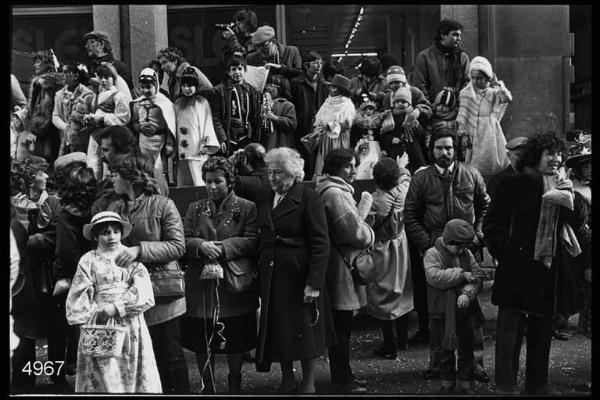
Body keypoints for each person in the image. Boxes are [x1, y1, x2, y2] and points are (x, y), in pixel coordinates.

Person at [483, 131, 590, 395]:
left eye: (558, 154)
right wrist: (506, 252)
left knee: (542, 327)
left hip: (548, 268)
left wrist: (571, 198)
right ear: (536, 156)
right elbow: (492, 223)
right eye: (549, 154)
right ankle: (505, 385)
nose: (555, 159)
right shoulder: (514, 184)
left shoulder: (563, 184)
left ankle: (537, 384)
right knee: (511, 328)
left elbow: (577, 224)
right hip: (517, 266)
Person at [404, 127, 490, 383]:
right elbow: (410, 215)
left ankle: (475, 364)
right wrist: (429, 244)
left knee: (471, 310)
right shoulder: (421, 179)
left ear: (455, 149)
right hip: (437, 250)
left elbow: (484, 203)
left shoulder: (471, 174)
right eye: (440, 148)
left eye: (449, 148)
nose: (445, 152)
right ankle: (438, 365)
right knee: (438, 313)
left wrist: (478, 233)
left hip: (467, 249)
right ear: (432, 150)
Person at [106, 154, 190, 394]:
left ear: (131, 179)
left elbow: (177, 246)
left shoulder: (163, 204)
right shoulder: (115, 207)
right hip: (129, 294)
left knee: (170, 355)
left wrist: (138, 250)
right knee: (140, 357)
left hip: (162, 291)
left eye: (116, 174)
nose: (111, 179)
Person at [255, 147, 332, 395]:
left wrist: (314, 283)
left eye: (278, 172)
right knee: (280, 329)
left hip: (300, 276)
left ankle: (308, 383)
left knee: (306, 330)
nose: (273, 178)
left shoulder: (310, 198)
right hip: (274, 276)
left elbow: (321, 244)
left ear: (292, 173)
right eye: (270, 172)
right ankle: (287, 379)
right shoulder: (267, 197)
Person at [180, 156, 259, 394]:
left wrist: (224, 247)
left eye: (218, 181)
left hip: (234, 283)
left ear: (230, 181)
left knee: (235, 335)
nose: (212, 186)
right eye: (207, 181)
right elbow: (181, 239)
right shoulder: (195, 208)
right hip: (201, 286)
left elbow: (253, 240)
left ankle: (235, 382)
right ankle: (208, 385)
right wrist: (199, 245)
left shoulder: (247, 207)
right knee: (203, 336)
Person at [66, 211, 161, 393]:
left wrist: (117, 307)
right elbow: (79, 293)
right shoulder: (88, 260)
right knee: (104, 369)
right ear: (95, 235)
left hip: (129, 321)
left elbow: (144, 290)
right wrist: (96, 313)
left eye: (115, 232)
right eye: (105, 233)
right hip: (99, 321)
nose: (111, 237)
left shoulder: (128, 256)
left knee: (130, 365)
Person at [316, 148, 375, 394]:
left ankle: (343, 374)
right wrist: (369, 231)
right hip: (340, 266)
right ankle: (342, 378)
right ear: (335, 168)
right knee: (342, 327)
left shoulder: (326, 189)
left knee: (341, 327)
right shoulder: (336, 194)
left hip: (334, 262)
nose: (353, 171)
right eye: (348, 166)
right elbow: (356, 233)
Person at [423, 219, 484, 395]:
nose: (462, 251)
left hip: (464, 311)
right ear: (448, 241)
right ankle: (447, 382)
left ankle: (465, 382)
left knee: (466, 347)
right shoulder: (432, 254)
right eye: (458, 247)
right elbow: (435, 277)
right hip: (441, 310)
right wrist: (461, 274)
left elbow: (477, 276)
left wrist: (467, 292)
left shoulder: (467, 254)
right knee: (444, 350)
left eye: (465, 247)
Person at [365, 158, 414, 360]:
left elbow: (364, 225)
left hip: (382, 249)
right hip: (400, 244)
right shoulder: (404, 189)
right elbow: (406, 175)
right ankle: (403, 341)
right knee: (402, 292)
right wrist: (399, 164)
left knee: (384, 296)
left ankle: (389, 345)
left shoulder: (375, 200)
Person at [91, 126, 169, 215]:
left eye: (106, 150)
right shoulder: (109, 182)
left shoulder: (150, 175)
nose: (102, 156)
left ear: (121, 149)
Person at [457, 56, 512, 179]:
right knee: (473, 162)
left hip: (489, 132)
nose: (476, 81)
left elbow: (507, 98)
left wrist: (498, 85)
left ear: (487, 78)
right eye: (473, 78)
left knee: (489, 160)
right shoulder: (466, 93)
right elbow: (463, 114)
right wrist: (464, 133)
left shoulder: (493, 93)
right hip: (472, 131)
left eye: (480, 78)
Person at [375, 65, 433, 164]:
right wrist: (384, 116)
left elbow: (428, 108)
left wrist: (418, 110)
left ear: (404, 81)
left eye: (397, 82)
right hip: (396, 138)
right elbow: (384, 113)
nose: (394, 86)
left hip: (414, 135)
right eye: (391, 83)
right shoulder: (388, 96)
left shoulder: (414, 92)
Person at [173, 66, 221, 186]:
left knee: (198, 179)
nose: (186, 89)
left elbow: (207, 123)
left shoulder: (202, 103)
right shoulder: (177, 104)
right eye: (184, 86)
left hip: (197, 148)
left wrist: (206, 145)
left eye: (190, 86)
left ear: (196, 86)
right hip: (181, 150)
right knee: (183, 181)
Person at [84, 63, 131, 181]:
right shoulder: (97, 96)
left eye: (107, 78)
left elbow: (123, 118)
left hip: (110, 137)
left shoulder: (119, 96)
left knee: (108, 167)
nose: (103, 81)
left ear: (113, 79)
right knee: (93, 164)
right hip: (95, 136)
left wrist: (101, 119)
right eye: (101, 78)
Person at [130, 68, 177, 184]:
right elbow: (134, 120)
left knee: (160, 169)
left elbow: (170, 125)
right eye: (142, 87)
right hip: (144, 142)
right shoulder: (137, 103)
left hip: (159, 141)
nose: (145, 90)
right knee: (144, 168)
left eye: (149, 87)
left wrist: (169, 143)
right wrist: (139, 127)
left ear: (156, 86)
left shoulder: (164, 103)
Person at [565, 149, 591, 340]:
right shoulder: (570, 190)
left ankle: (586, 321)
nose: (590, 170)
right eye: (586, 167)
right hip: (576, 241)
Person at [211, 55, 261, 155]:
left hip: (247, 135)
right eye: (233, 69)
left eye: (240, 69)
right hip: (229, 134)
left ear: (245, 71)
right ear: (228, 72)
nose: (237, 72)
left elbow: (255, 115)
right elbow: (216, 117)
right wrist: (222, 139)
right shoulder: (220, 90)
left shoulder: (252, 91)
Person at [291, 50, 329, 178]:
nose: (319, 65)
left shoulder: (324, 85)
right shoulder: (296, 83)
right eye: (315, 62)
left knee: (319, 161)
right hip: (302, 128)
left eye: (321, 63)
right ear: (306, 65)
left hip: (319, 129)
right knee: (304, 162)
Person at [413, 19, 470, 103]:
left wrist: (458, 104)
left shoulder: (462, 57)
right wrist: (429, 107)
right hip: (432, 109)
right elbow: (420, 86)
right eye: (455, 35)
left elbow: (467, 84)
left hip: (457, 110)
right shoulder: (424, 57)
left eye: (460, 35)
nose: (459, 38)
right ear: (443, 35)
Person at [312, 74, 356, 177]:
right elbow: (319, 119)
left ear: (340, 89)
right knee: (324, 162)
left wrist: (330, 126)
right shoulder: (328, 102)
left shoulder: (347, 104)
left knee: (337, 161)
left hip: (338, 140)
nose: (330, 89)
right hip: (325, 139)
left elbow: (347, 124)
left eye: (333, 87)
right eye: (331, 87)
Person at [379, 86, 428, 173]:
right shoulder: (389, 117)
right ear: (393, 104)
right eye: (397, 101)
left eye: (403, 102)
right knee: (395, 170)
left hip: (413, 149)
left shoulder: (412, 116)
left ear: (409, 104)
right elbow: (383, 134)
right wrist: (391, 139)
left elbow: (421, 134)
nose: (400, 103)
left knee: (418, 170)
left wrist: (416, 126)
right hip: (396, 149)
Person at [246, 25, 302, 100]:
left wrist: (279, 67)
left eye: (264, 45)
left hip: (289, 98)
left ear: (274, 41)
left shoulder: (291, 51)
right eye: (258, 46)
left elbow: (299, 73)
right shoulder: (251, 58)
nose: (261, 49)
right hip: (263, 99)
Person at [53, 62, 96, 155]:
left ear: (76, 75)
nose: (62, 75)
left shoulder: (88, 94)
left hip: (82, 139)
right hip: (64, 138)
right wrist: (66, 128)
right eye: (62, 72)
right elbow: (55, 116)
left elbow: (92, 117)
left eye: (66, 73)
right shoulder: (59, 94)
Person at [262, 76, 297, 150]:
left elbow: (292, 123)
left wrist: (275, 118)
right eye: (267, 85)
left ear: (281, 88)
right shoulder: (263, 102)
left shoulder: (287, 105)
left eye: (271, 86)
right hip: (265, 139)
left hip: (279, 142)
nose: (268, 88)